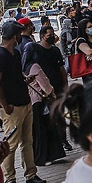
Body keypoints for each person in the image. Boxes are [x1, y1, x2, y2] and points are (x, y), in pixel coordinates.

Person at [0, 20, 46, 183]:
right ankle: (10, 178)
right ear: (14, 36)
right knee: (11, 144)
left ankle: (31, 173)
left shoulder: (14, 53)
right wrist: (4, 105)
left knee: (28, 141)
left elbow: (13, 76)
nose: (20, 38)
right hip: (12, 107)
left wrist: (25, 79)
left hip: (24, 101)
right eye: (19, 35)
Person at [24, 27, 67, 166]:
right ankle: (46, 155)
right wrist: (52, 93)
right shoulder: (35, 67)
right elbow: (46, 85)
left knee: (38, 130)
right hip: (42, 100)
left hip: (33, 101)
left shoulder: (24, 69)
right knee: (46, 128)